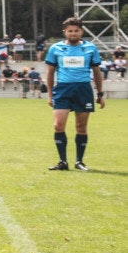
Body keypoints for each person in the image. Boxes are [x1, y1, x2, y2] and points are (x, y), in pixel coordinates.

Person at [45, 17, 105, 171]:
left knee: (81, 127)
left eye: (76, 31)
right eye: (70, 31)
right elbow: (50, 74)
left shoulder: (90, 48)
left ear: (81, 31)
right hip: (63, 89)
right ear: (64, 32)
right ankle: (62, 162)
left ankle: (79, 161)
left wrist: (100, 94)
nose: (73, 33)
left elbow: (97, 73)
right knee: (58, 126)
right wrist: (50, 95)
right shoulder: (55, 48)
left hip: (83, 90)